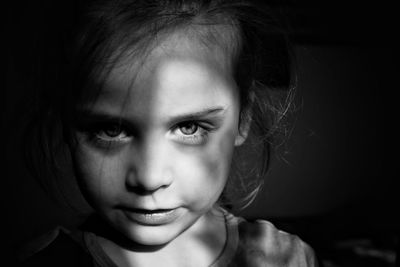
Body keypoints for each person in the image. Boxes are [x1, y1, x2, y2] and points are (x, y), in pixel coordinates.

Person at [18, 0, 318, 266]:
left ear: (244, 117)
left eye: (189, 127)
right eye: (111, 130)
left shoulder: (285, 260)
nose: (149, 178)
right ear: (67, 125)